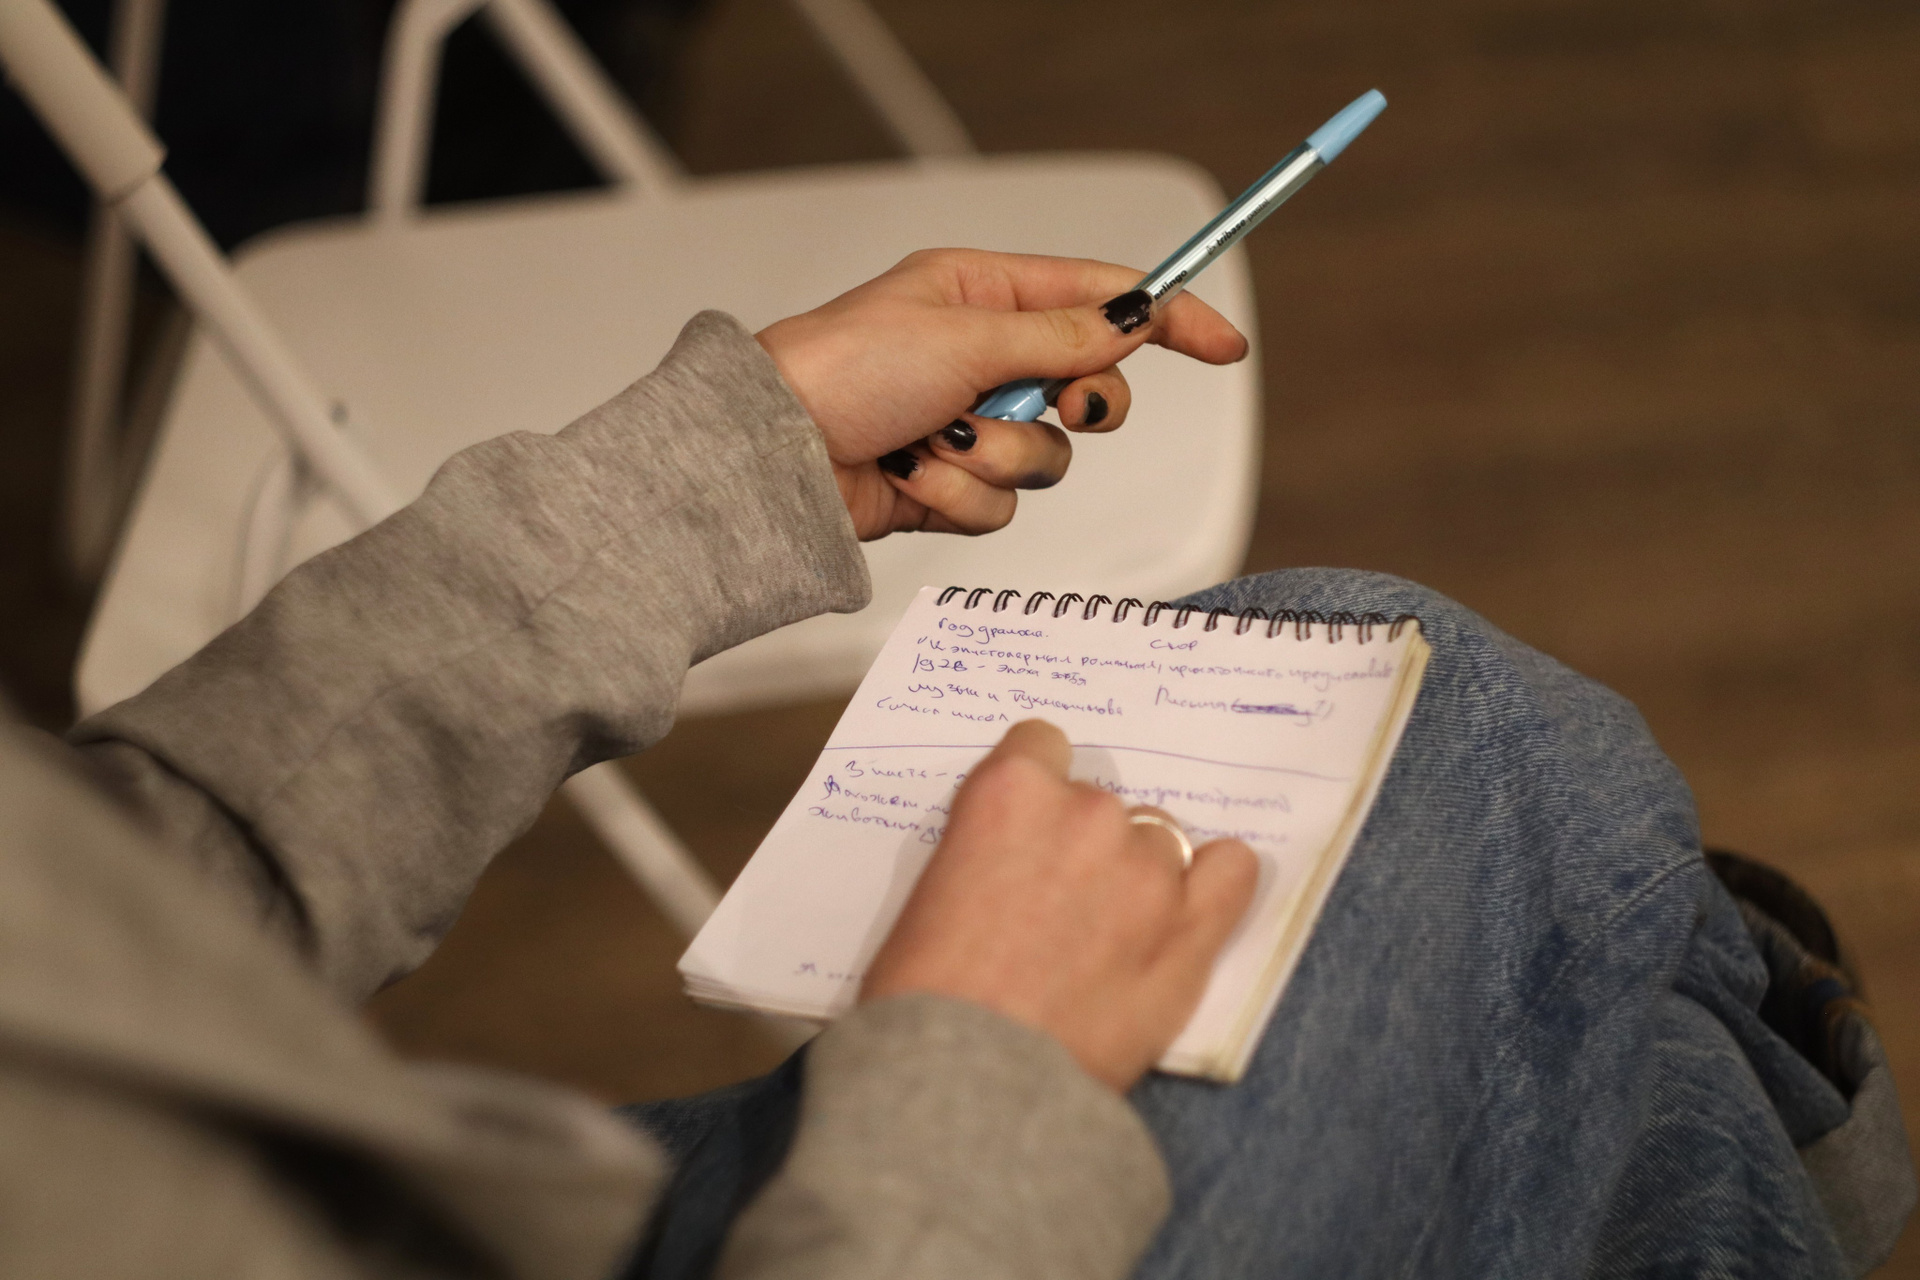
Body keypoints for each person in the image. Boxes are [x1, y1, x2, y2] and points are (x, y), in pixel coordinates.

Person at [0, 250, 1909, 1280]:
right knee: (1454, 753)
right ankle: (1823, 1155)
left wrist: (729, 460)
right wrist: (973, 1081)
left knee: (1596, 1052)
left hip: (431, 1202)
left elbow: (133, 895)